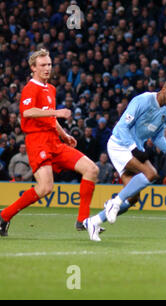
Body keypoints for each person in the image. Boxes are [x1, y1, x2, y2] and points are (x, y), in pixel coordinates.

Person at [0, 49, 99, 236]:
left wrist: (64, 135)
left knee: (92, 169)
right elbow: (27, 112)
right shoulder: (31, 87)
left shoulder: (51, 89)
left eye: (49, 64)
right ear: (33, 68)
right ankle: (4, 215)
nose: (47, 68)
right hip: (37, 142)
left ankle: (83, 220)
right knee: (45, 187)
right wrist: (57, 112)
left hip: (54, 141)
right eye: (43, 65)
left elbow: (50, 118)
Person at [82, 79, 166, 241]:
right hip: (120, 145)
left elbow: (157, 136)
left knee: (133, 198)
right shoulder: (143, 100)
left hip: (134, 150)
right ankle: (115, 202)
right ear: (163, 89)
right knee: (151, 174)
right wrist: (133, 148)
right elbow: (121, 127)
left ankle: (94, 221)